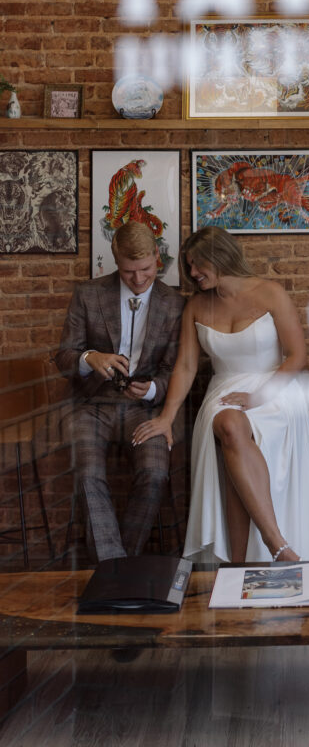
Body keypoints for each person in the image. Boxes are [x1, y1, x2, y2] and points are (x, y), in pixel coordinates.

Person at [132, 226, 309, 564]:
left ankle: (241, 563)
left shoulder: (270, 293)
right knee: (229, 423)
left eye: (198, 265)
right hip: (224, 391)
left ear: (222, 258)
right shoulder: (196, 307)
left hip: (275, 390)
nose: (194, 274)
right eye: (190, 267)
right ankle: (277, 545)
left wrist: (259, 396)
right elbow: (186, 367)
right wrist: (166, 417)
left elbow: (297, 356)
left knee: (233, 441)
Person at [56, 221, 185, 561]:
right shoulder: (88, 294)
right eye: (129, 272)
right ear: (115, 262)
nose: (139, 279)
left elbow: (177, 369)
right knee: (87, 472)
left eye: (146, 269)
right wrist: (90, 357)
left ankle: (121, 563)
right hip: (91, 403)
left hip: (146, 409)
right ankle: (112, 564)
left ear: (158, 257)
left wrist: (153, 389)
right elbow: (63, 356)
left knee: (156, 473)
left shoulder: (175, 303)